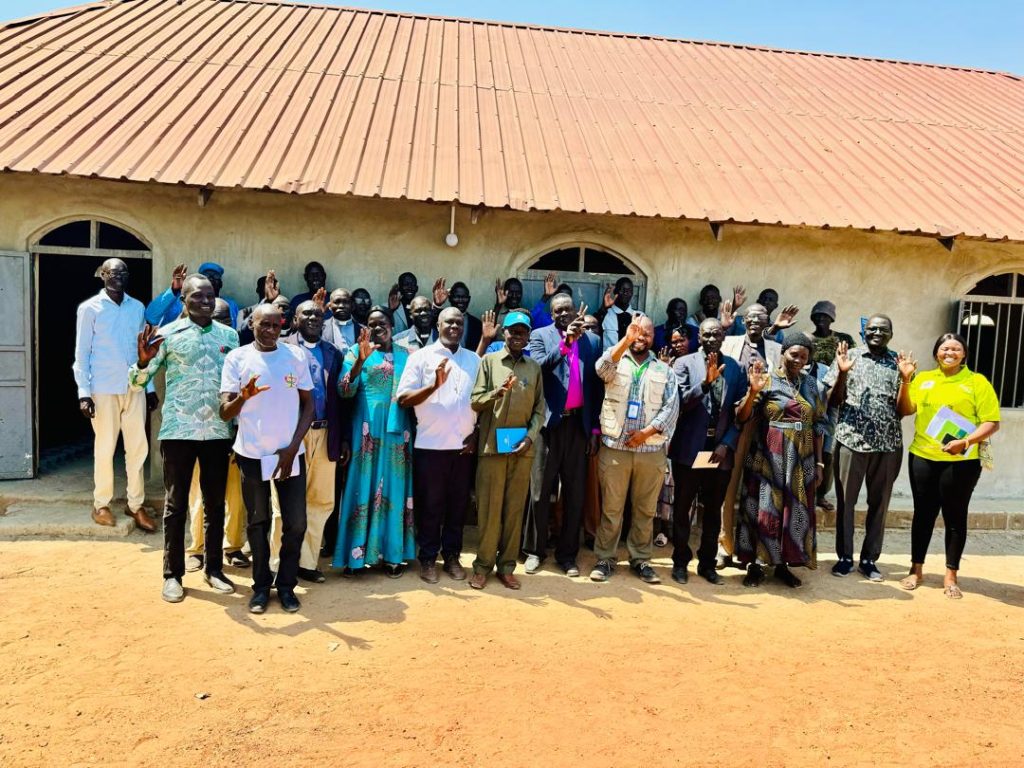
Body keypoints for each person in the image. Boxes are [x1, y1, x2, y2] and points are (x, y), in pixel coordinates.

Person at [131, 274, 239, 602]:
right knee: (176, 505)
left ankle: (214, 569)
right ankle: (172, 574)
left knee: (215, 504)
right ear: (184, 301)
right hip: (179, 430)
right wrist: (141, 363)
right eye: (197, 297)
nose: (205, 302)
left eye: (209, 297)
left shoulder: (230, 336)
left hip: (218, 433)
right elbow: (137, 383)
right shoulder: (167, 335)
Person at [220, 303, 315, 614]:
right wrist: (244, 396)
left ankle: (286, 586)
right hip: (252, 453)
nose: (271, 331)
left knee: (296, 523)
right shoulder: (237, 358)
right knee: (258, 523)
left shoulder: (296, 356)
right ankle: (261, 587)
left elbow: (309, 407)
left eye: (277, 326)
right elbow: (225, 412)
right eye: (265, 325)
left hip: (290, 455)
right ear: (252, 324)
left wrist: (292, 448)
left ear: (283, 326)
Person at [899, 333, 1000, 599]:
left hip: (962, 461)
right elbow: (906, 410)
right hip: (923, 457)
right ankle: (916, 569)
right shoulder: (924, 379)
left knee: (955, 516)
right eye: (945, 348)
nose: (950, 353)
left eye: (956, 349)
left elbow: (992, 422)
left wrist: (965, 442)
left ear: (964, 354)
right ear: (936, 353)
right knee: (923, 514)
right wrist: (906, 380)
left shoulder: (976, 382)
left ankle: (951, 575)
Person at [735, 332, 828, 589]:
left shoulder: (814, 386)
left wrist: (819, 464)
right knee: (763, 508)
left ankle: (782, 565)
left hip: (802, 457)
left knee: (792, 511)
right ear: (783, 353)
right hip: (768, 454)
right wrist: (753, 391)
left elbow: (820, 426)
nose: (798, 360)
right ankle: (754, 565)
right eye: (794, 354)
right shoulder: (766, 381)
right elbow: (742, 417)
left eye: (804, 357)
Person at [590, 314, 679, 584]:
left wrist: (645, 433)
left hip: (650, 452)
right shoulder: (615, 359)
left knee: (645, 510)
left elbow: (671, 408)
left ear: (654, 338)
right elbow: (601, 369)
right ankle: (605, 558)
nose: (641, 338)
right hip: (615, 448)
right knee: (612, 508)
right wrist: (624, 341)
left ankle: (641, 560)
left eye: (646, 334)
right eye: (636, 332)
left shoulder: (664, 370)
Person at [396, 307, 480, 583]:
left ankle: (452, 557)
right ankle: (429, 558)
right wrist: (433, 386)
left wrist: (476, 433)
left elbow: (482, 401)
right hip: (431, 446)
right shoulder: (420, 358)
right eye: (449, 322)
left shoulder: (473, 360)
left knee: (458, 505)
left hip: (463, 447)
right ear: (438, 324)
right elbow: (403, 398)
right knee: (431, 505)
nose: (455, 326)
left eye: (459, 322)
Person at [73, 258, 157, 531]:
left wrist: (150, 387)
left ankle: (135, 505)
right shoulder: (90, 309)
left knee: (137, 448)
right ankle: (101, 504)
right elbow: (81, 355)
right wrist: (84, 393)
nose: (117, 276)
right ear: (102, 275)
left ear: (127, 276)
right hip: (103, 388)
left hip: (134, 387)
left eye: (122, 272)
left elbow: (142, 350)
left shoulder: (137, 307)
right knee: (105, 447)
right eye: (112, 272)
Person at [332, 308, 416, 577]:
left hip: (397, 432)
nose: (378, 327)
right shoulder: (355, 353)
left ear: (392, 326)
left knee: (394, 489)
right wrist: (360, 360)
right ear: (365, 328)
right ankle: (356, 557)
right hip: (365, 430)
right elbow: (344, 390)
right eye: (372, 323)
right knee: (362, 486)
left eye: (383, 323)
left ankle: (392, 556)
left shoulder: (407, 355)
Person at [523, 294, 601, 577]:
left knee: (575, 494)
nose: (563, 314)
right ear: (552, 314)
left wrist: (594, 429)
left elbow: (595, 388)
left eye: (567, 309)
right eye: (557, 311)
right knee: (539, 492)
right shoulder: (539, 336)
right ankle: (534, 551)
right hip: (547, 425)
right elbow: (539, 367)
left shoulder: (592, 342)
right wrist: (565, 343)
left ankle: (567, 556)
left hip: (578, 427)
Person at [825, 316, 906, 581]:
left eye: (883, 329)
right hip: (851, 440)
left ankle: (869, 559)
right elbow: (833, 401)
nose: (877, 333)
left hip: (888, 444)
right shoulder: (849, 357)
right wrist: (843, 373)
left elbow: (903, 410)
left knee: (879, 503)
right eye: (872, 329)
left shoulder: (898, 363)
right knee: (846, 502)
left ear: (891, 333)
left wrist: (906, 379)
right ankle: (845, 557)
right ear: (864, 331)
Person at [272, 300, 347, 584]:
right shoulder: (283, 350)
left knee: (321, 501)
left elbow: (340, 400)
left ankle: (307, 562)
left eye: (318, 313)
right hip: (292, 436)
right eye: (308, 313)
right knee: (284, 504)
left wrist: (342, 439)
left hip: (326, 434)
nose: (314, 317)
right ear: (295, 319)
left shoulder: (333, 353)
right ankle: (277, 564)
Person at [668, 318, 748, 585]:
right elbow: (678, 404)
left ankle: (707, 563)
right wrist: (704, 384)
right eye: (706, 334)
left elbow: (740, 415)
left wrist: (727, 443)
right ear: (699, 337)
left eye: (716, 334)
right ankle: (680, 561)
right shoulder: (684, 364)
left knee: (713, 510)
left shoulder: (736, 369)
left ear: (723, 336)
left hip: (719, 451)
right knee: (682, 509)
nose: (711, 338)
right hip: (689, 449)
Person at [469, 310, 545, 589]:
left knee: (514, 511)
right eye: (513, 331)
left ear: (528, 336)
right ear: (505, 334)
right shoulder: (489, 362)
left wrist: (530, 436)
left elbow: (540, 409)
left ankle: (507, 566)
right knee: (489, 510)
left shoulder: (533, 368)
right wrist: (496, 393)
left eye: (523, 332)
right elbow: (475, 402)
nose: (517, 336)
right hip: (492, 449)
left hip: (522, 450)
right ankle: (482, 567)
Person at [185, 296, 249, 572]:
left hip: (234, 435)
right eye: (216, 318)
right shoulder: (195, 350)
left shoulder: (242, 354)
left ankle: (233, 546)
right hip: (201, 434)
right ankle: (196, 549)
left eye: (226, 319)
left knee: (236, 496)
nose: (221, 323)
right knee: (200, 495)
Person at [719, 303, 781, 568]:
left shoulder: (777, 350)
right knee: (728, 486)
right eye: (751, 317)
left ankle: (754, 548)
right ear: (744, 321)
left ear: (768, 322)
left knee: (760, 488)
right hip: (736, 423)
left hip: (766, 425)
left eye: (761, 318)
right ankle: (724, 547)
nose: (755, 321)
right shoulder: (729, 344)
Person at [146, 262, 239, 328]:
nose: (211, 280)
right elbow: (151, 317)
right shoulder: (181, 302)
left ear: (221, 284)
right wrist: (174, 289)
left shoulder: (230, 305)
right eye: (206, 277)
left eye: (215, 277)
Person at [810, 300, 856, 367]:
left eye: (825, 316)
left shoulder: (844, 339)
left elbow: (855, 357)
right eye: (818, 316)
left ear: (831, 319)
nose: (821, 318)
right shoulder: (807, 339)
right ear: (813, 318)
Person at [597, 276, 636, 349]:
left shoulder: (639, 316)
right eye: (622, 290)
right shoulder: (604, 314)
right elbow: (594, 327)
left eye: (628, 290)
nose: (625, 293)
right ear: (615, 292)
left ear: (632, 293)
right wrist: (604, 307)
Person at [321, 288, 363, 354]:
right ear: (329, 306)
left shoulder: (363, 330)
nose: (341, 306)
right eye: (337, 302)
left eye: (346, 302)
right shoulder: (320, 327)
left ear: (352, 306)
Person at [447, 281, 483, 351]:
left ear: (469, 299)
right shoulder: (441, 318)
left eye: (464, 297)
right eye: (457, 297)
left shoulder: (476, 324)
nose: (460, 300)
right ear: (450, 298)